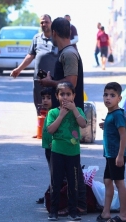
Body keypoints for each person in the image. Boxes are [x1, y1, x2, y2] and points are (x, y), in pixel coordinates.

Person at [39, 17, 87, 217]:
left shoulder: (68, 54)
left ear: (55, 33)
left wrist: (50, 83)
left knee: (69, 169)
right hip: (63, 115)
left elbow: (71, 83)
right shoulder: (67, 52)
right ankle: (62, 201)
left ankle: (78, 205)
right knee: (61, 166)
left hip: (70, 118)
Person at [10, 14, 58, 137]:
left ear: (51, 23)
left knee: (54, 103)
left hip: (53, 79)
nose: (44, 24)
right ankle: (41, 130)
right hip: (39, 79)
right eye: (42, 22)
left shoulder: (57, 38)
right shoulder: (36, 38)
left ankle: (54, 131)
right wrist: (19, 69)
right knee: (39, 103)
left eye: (46, 22)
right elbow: (30, 56)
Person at [46, 82, 87, 221]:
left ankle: (73, 211)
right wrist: (61, 115)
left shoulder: (79, 111)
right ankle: (53, 211)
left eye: (68, 94)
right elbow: (50, 130)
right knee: (56, 182)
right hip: (57, 152)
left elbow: (83, 124)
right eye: (62, 94)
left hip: (73, 153)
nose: (65, 97)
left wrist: (74, 110)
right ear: (57, 96)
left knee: (73, 182)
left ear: (74, 96)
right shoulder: (53, 112)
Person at [97, 82, 126, 222]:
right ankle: (106, 212)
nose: (107, 98)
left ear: (119, 98)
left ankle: (124, 215)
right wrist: (107, 125)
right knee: (107, 181)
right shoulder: (114, 113)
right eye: (105, 95)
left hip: (116, 155)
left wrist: (120, 155)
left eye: (112, 95)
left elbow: (123, 135)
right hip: (110, 155)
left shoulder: (116, 114)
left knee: (119, 183)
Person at [36, 87, 53, 204]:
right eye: (43, 98)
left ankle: (52, 194)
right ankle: (50, 193)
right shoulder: (48, 113)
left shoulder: (55, 113)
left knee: (56, 173)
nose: (45, 100)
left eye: (48, 98)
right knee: (52, 172)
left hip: (54, 148)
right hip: (48, 147)